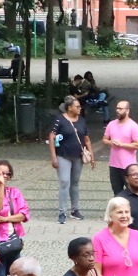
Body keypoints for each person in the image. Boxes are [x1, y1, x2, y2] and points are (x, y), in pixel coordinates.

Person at [49, 95, 94, 224]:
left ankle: (75, 210)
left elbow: (86, 139)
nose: (80, 108)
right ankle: (62, 212)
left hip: (78, 156)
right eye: (77, 106)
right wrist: (53, 157)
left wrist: (91, 155)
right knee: (64, 182)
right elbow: (51, 137)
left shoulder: (82, 121)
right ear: (69, 108)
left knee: (75, 183)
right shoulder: (59, 120)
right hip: (63, 155)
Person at [101, 100, 138, 196]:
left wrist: (121, 144)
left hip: (129, 166)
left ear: (127, 111)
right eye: (117, 108)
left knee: (132, 192)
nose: (117, 111)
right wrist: (111, 142)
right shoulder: (111, 124)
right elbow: (104, 139)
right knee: (117, 192)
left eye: (120, 109)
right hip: (114, 165)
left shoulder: (134, 126)